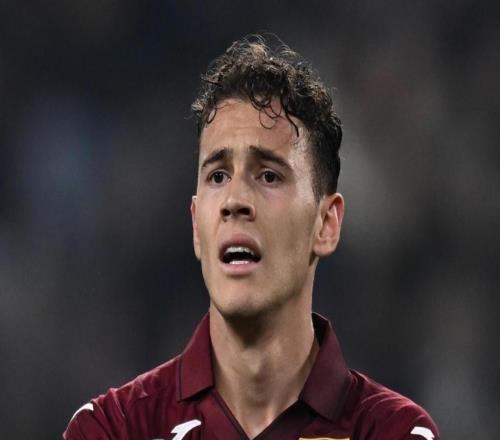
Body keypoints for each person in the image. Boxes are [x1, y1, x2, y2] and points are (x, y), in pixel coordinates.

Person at [63, 35, 440, 440]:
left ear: (326, 224)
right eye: (218, 176)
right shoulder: (112, 428)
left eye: (269, 176)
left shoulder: (393, 432)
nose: (235, 201)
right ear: (196, 225)